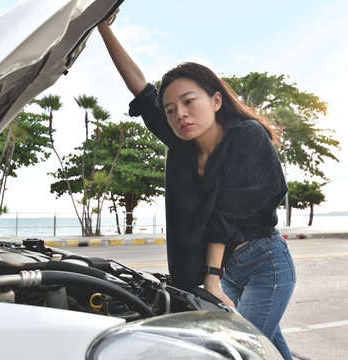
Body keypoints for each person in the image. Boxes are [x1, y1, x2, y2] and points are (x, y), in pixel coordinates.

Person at [97, 11, 296, 360]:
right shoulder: (183, 145)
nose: (180, 115)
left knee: (240, 351)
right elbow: (141, 90)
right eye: (171, 109)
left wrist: (212, 281)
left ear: (215, 101)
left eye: (189, 102)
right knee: (268, 349)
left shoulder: (247, 137)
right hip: (227, 268)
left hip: (265, 262)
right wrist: (101, 28)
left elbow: (225, 214)